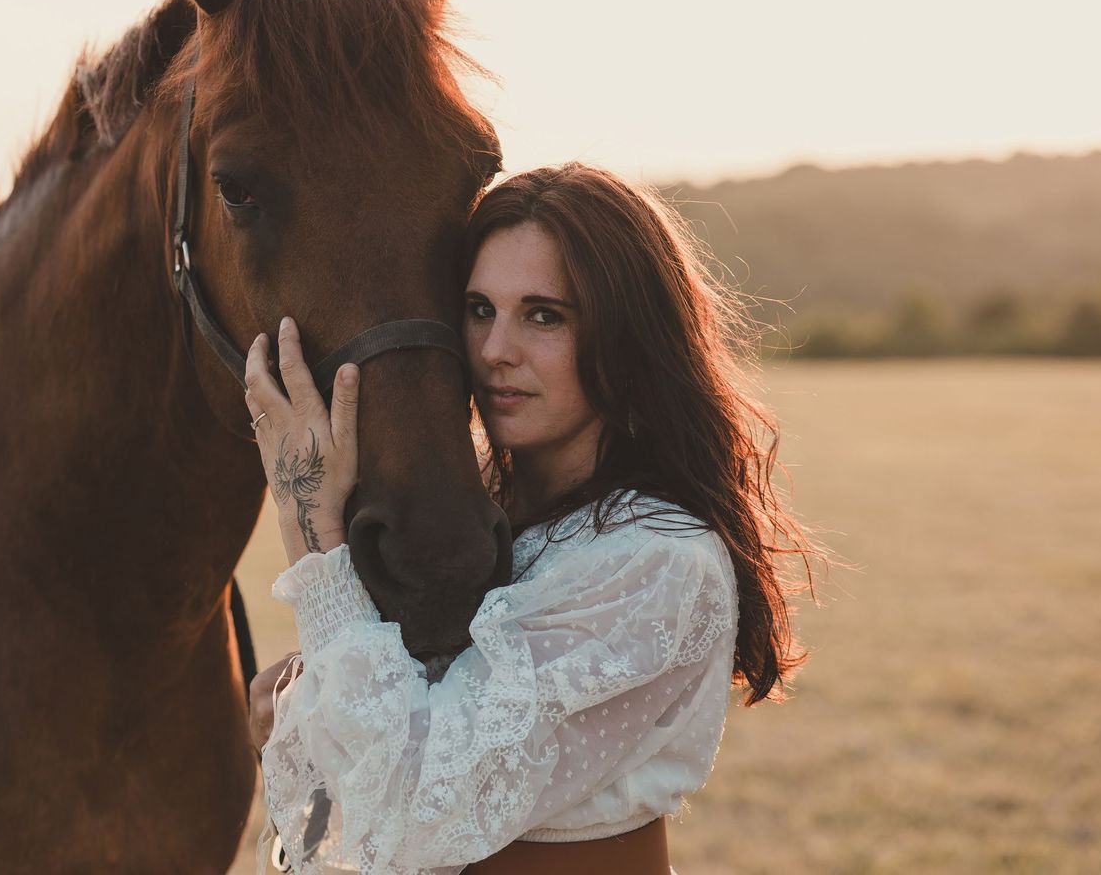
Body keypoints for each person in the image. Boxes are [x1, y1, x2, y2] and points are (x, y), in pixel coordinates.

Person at [241, 163, 821, 874]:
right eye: (480, 309)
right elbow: (349, 806)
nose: (494, 351)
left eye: (545, 315)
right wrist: (308, 714)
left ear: (628, 335)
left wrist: (309, 523)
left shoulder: (655, 560)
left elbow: (408, 807)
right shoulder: (469, 514)